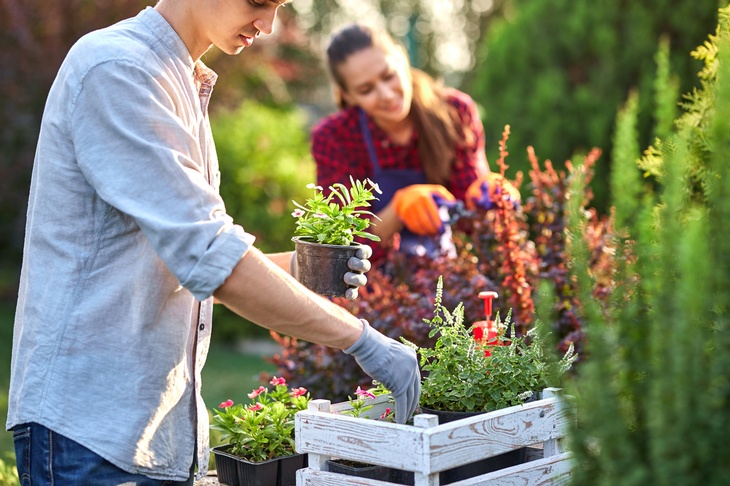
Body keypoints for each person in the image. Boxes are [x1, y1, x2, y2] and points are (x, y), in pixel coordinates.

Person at [6, 2, 421, 484]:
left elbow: (172, 264)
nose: (267, 27)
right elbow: (211, 256)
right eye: (258, 2)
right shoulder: (118, 70)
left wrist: (294, 269)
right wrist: (362, 341)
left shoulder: (177, 78)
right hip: (89, 437)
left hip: (144, 437)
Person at [311, 24, 520, 267]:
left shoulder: (454, 112)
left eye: (389, 76)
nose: (387, 94)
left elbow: (470, 222)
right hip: (372, 284)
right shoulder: (335, 138)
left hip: (448, 272)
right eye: (366, 90)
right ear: (347, 95)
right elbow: (339, 248)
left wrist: (487, 198)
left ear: (402, 59)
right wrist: (397, 211)